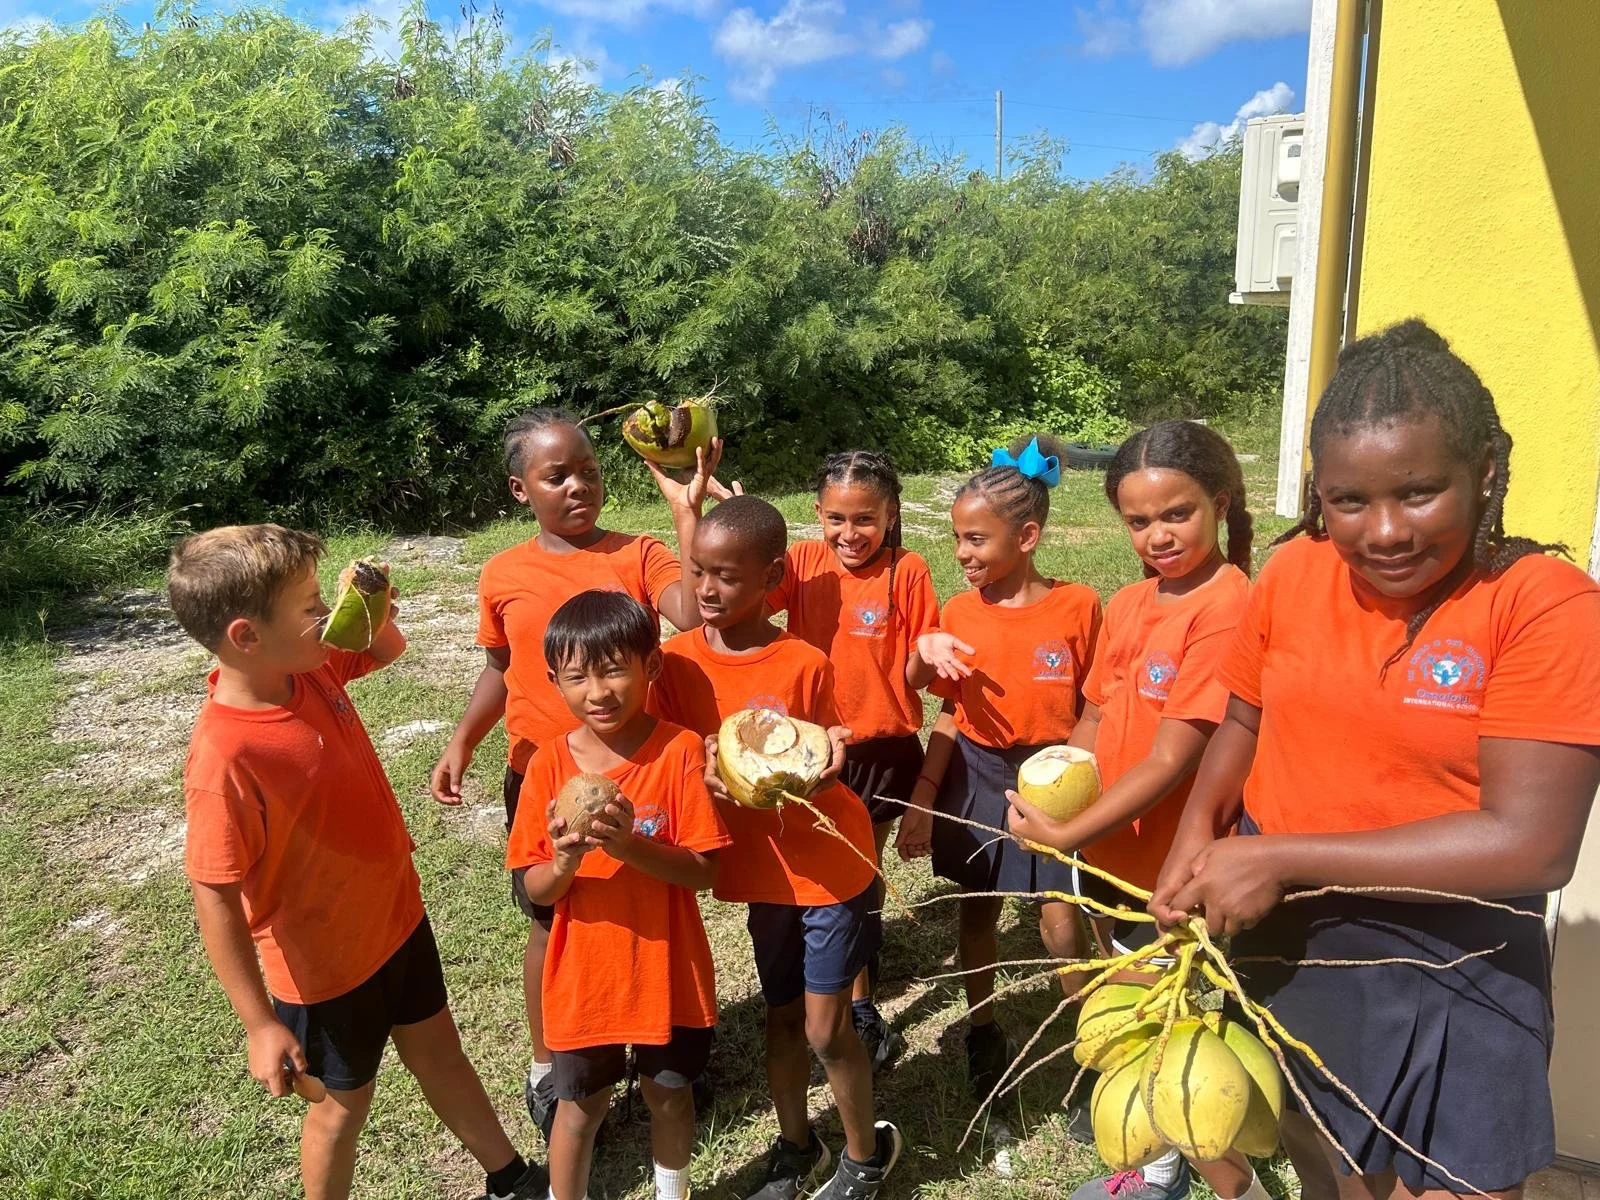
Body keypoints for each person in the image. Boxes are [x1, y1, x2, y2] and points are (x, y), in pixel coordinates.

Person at [1150, 320, 1600, 1200]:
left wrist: (1277, 857)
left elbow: (1533, 844)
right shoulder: (1294, 573)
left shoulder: (1543, 606)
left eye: (1421, 492)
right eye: (1349, 501)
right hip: (1296, 940)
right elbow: (1243, 720)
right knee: (1334, 1173)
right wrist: (1196, 833)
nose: (1385, 532)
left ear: (1486, 472)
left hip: (1460, 956)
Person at [171, 525, 546, 1200]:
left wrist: (365, 605)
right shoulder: (224, 757)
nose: (324, 615)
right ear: (246, 636)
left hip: (396, 920)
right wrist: (260, 1025)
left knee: (441, 1054)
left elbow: (387, 647)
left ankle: (510, 1179)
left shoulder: (308, 668)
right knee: (341, 1110)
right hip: (326, 970)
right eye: (310, 605)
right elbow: (215, 895)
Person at [429, 408, 725, 1137]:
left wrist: (685, 512)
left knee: (647, 910)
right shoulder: (503, 573)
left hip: (638, 772)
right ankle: (549, 1065)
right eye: (556, 476)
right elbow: (500, 666)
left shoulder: (638, 553)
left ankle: (665, 1048)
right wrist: (463, 739)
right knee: (553, 918)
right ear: (520, 489)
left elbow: (690, 613)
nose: (577, 486)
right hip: (540, 774)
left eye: (588, 471)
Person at [1003, 421, 1262, 1200]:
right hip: (1109, 854)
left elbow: (1171, 758)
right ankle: (1157, 1157)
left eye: (1177, 514)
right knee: (1131, 1009)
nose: (1159, 536)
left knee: (1167, 1026)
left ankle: (1201, 1177)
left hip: (1169, 869)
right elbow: (1095, 714)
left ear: (1220, 504)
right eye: (1139, 521)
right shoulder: (1130, 602)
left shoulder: (1227, 607)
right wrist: (1057, 790)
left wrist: (1066, 833)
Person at [650, 496, 903, 1200]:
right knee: (781, 1015)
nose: (706, 589)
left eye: (727, 576)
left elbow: (825, 745)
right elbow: (665, 752)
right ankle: (798, 1143)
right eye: (698, 571)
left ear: (772, 577)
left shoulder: (802, 661)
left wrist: (828, 760)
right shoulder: (676, 664)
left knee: (826, 1029)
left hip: (830, 867)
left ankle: (865, 1158)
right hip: (764, 877)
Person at [896, 434, 1103, 1102]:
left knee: (1060, 915)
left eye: (977, 539)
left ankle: (1091, 1042)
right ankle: (982, 1028)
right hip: (978, 775)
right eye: (958, 537)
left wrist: (1084, 776)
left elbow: (1097, 703)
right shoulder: (958, 613)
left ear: (1028, 536)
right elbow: (945, 709)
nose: (962, 553)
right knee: (977, 909)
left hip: (1055, 777)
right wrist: (926, 796)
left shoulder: (1078, 606)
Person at [507, 590, 730, 1200]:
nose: (598, 692)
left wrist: (629, 847)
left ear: (651, 666)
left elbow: (704, 871)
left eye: (613, 671)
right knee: (579, 1108)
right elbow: (535, 888)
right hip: (586, 976)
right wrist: (564, 859)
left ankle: (672, 1192)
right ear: (553, 682)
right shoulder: (547, 766)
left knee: (670, 1096)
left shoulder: (679, 751)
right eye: (577, 677)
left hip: (667, 969)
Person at [766, 450, 940, 1072]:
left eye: (865, 519)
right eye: (836, 518)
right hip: (812, 749)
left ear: (890, 515)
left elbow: (918, 671)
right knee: (824, 870)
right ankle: (834, 978)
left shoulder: (907, 570)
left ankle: (858, 1003)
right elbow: (746, 598)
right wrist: (740, 529)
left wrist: (930, 648)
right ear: (817, 513)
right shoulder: (801, 562)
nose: (850, 533)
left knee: (860, 871)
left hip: (883, 751)